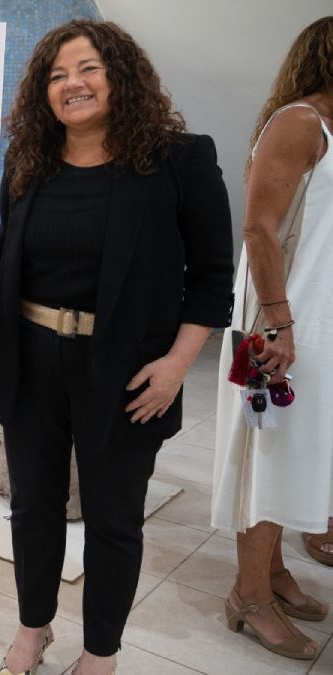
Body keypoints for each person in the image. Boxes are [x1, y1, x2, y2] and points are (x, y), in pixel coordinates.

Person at [0, 20, 234, 674]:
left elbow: (212, 279)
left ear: (121, 73)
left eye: (88, 67)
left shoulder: (180, 160)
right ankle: (33, 627)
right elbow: (2, 254)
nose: (72, 83)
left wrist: (178, 365)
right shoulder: (27, 160)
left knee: (113, 519)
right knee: (32, 508)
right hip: (33, 362)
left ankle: (101, 650)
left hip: (127, 372)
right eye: (57, 74)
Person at [211, 16, 333, 662]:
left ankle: (274, 573)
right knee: (264, 452)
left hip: (313, 323)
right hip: (274, 326)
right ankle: (247, 594)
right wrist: (280, 322)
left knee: (296, 451)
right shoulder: (299, 123)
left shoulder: (326, 129)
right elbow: (258, 229)